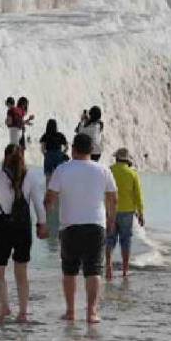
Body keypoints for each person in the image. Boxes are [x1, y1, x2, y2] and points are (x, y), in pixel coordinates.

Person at [45, 133, 117, 323]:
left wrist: (47, 214)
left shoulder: (62, 170)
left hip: (70, 225)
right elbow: (113, 197)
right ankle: (91, 313)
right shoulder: (103, 170)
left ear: (73, 149)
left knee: (69, 270)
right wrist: (111, 219)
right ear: (91, 150)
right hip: (96, 225)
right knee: (93, 270)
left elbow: (50, 197)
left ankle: (70, 311)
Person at [0, 144, 48, 323]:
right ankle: (23, 312)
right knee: (21, 270)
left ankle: (4, 307)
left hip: (4, 225)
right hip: (23, 225)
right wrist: (42, 225)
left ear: (4, 157)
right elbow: (38, 205)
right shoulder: (31, 177)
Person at [106, 148, 144, 281]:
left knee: (109, 239)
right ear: (127, 160)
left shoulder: (109, 171)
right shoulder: (132, 174)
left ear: (116, 158)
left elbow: (103, 191)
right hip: (127, 212)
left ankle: (108, 267)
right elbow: (138, 195)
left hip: (110, 210)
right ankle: (125, 270)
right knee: (125, 240)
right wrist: (141, 213)